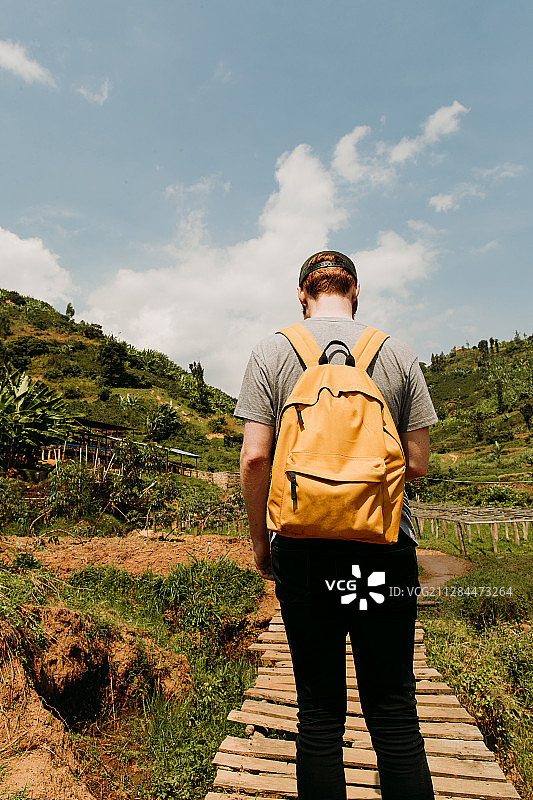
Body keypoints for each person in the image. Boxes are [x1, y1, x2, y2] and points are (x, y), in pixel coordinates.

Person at [235, 250, 438, 800]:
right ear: (356, 292)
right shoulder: (396, 352)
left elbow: (254, 459)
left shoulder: (272, 351)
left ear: (302, 294)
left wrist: (261, 544)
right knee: (393, 711)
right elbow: (418, 463)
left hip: (303, 553)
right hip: (382, 550)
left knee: (319, 712)